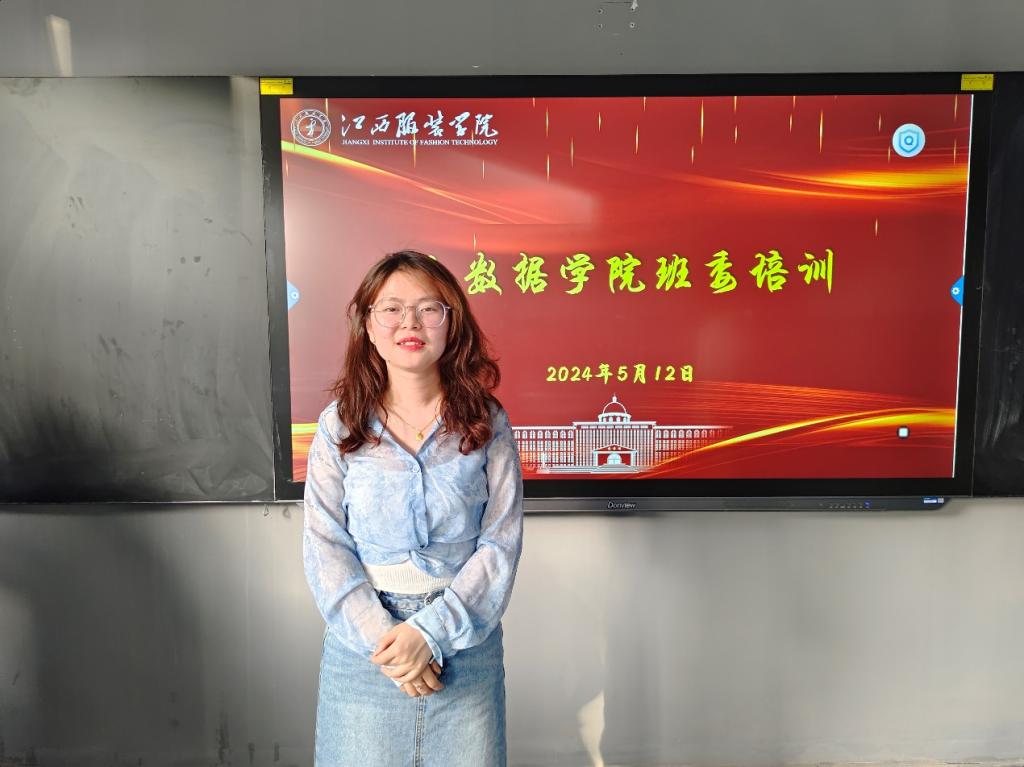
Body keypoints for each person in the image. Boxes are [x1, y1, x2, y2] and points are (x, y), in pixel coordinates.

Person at [303, 250, 524, 767]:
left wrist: (430, 632)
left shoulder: (486, 421)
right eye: (392, 309)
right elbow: (324, 545)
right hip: (365, 651)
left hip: (465, 643)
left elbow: (501, 543)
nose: (410, 323)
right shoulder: (339, 425)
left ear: (452, 323)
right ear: (368, 325)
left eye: (429, 308)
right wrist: (389, 643)